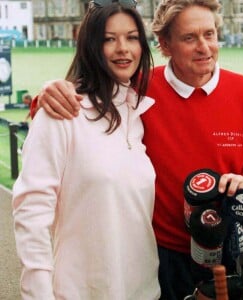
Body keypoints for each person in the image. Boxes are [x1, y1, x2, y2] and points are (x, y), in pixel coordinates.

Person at [31, 0, 243, 299]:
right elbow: (83, 97)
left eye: (210, 34)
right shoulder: (139, 87)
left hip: (228, 248)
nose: (204, 47)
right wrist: (48, 92)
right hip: (161, 255)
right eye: (190, 38)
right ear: (165, 44)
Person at [12, 1, 161, 299]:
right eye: (109, 39)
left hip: (143, 291)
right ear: (91, 45)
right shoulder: (62, 113)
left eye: (132, 37)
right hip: (81, 292)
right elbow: (31, 212)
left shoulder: (137, 112)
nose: (123, 49)